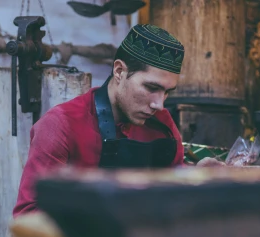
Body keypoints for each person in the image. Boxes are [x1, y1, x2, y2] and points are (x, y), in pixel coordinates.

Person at [12, 24, 220, 216]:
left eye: (167, 92)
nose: (159, 104)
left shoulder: (162, 122)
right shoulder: (61, 124)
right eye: (151, 88)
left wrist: (194, 179)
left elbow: (171, 178)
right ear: (119, 71)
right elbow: (28, 214)